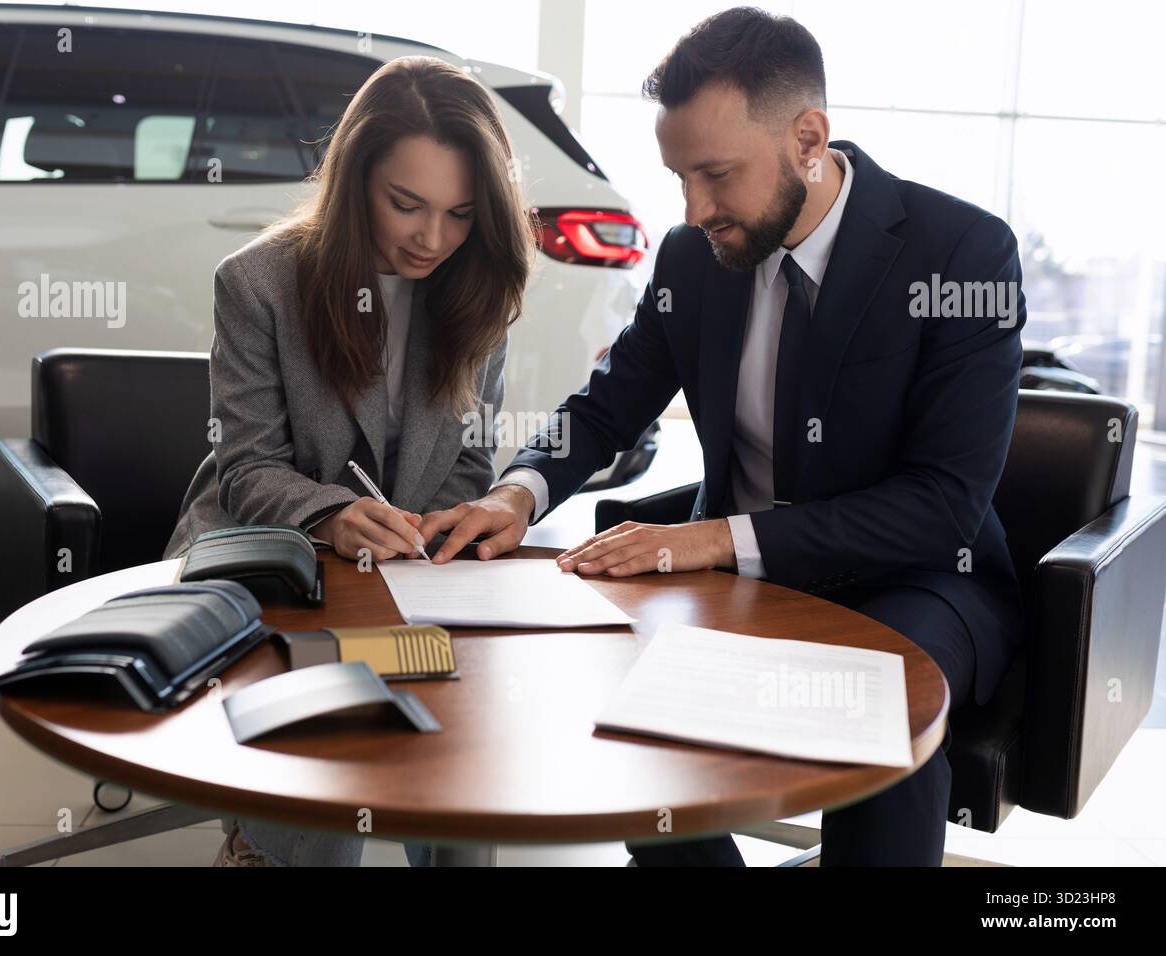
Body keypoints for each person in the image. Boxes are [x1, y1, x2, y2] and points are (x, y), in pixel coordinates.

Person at [419, 7, 1027, 866]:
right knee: (620, 714)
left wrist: (712, 539)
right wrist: (516, 492)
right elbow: (606, 404)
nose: (695, 208)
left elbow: (942, 508)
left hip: (923, 582)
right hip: (735, 588)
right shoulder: (693, 258)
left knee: (877, 706)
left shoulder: (960, 254)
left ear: (809, 137)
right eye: (679, 178)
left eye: (715, 174)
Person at [162, 55, 536, 865]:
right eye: (406, 204)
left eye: (461, 213)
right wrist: (330, 514)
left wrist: (453, 525)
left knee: (457, 776)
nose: (432, 238)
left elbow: (470, 468)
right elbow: (248, 468)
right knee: (323, 786)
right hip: (276, 559)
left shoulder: (477, 294)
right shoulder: (258, 283)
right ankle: (262, 846)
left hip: (412, 574)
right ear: (355, 179)